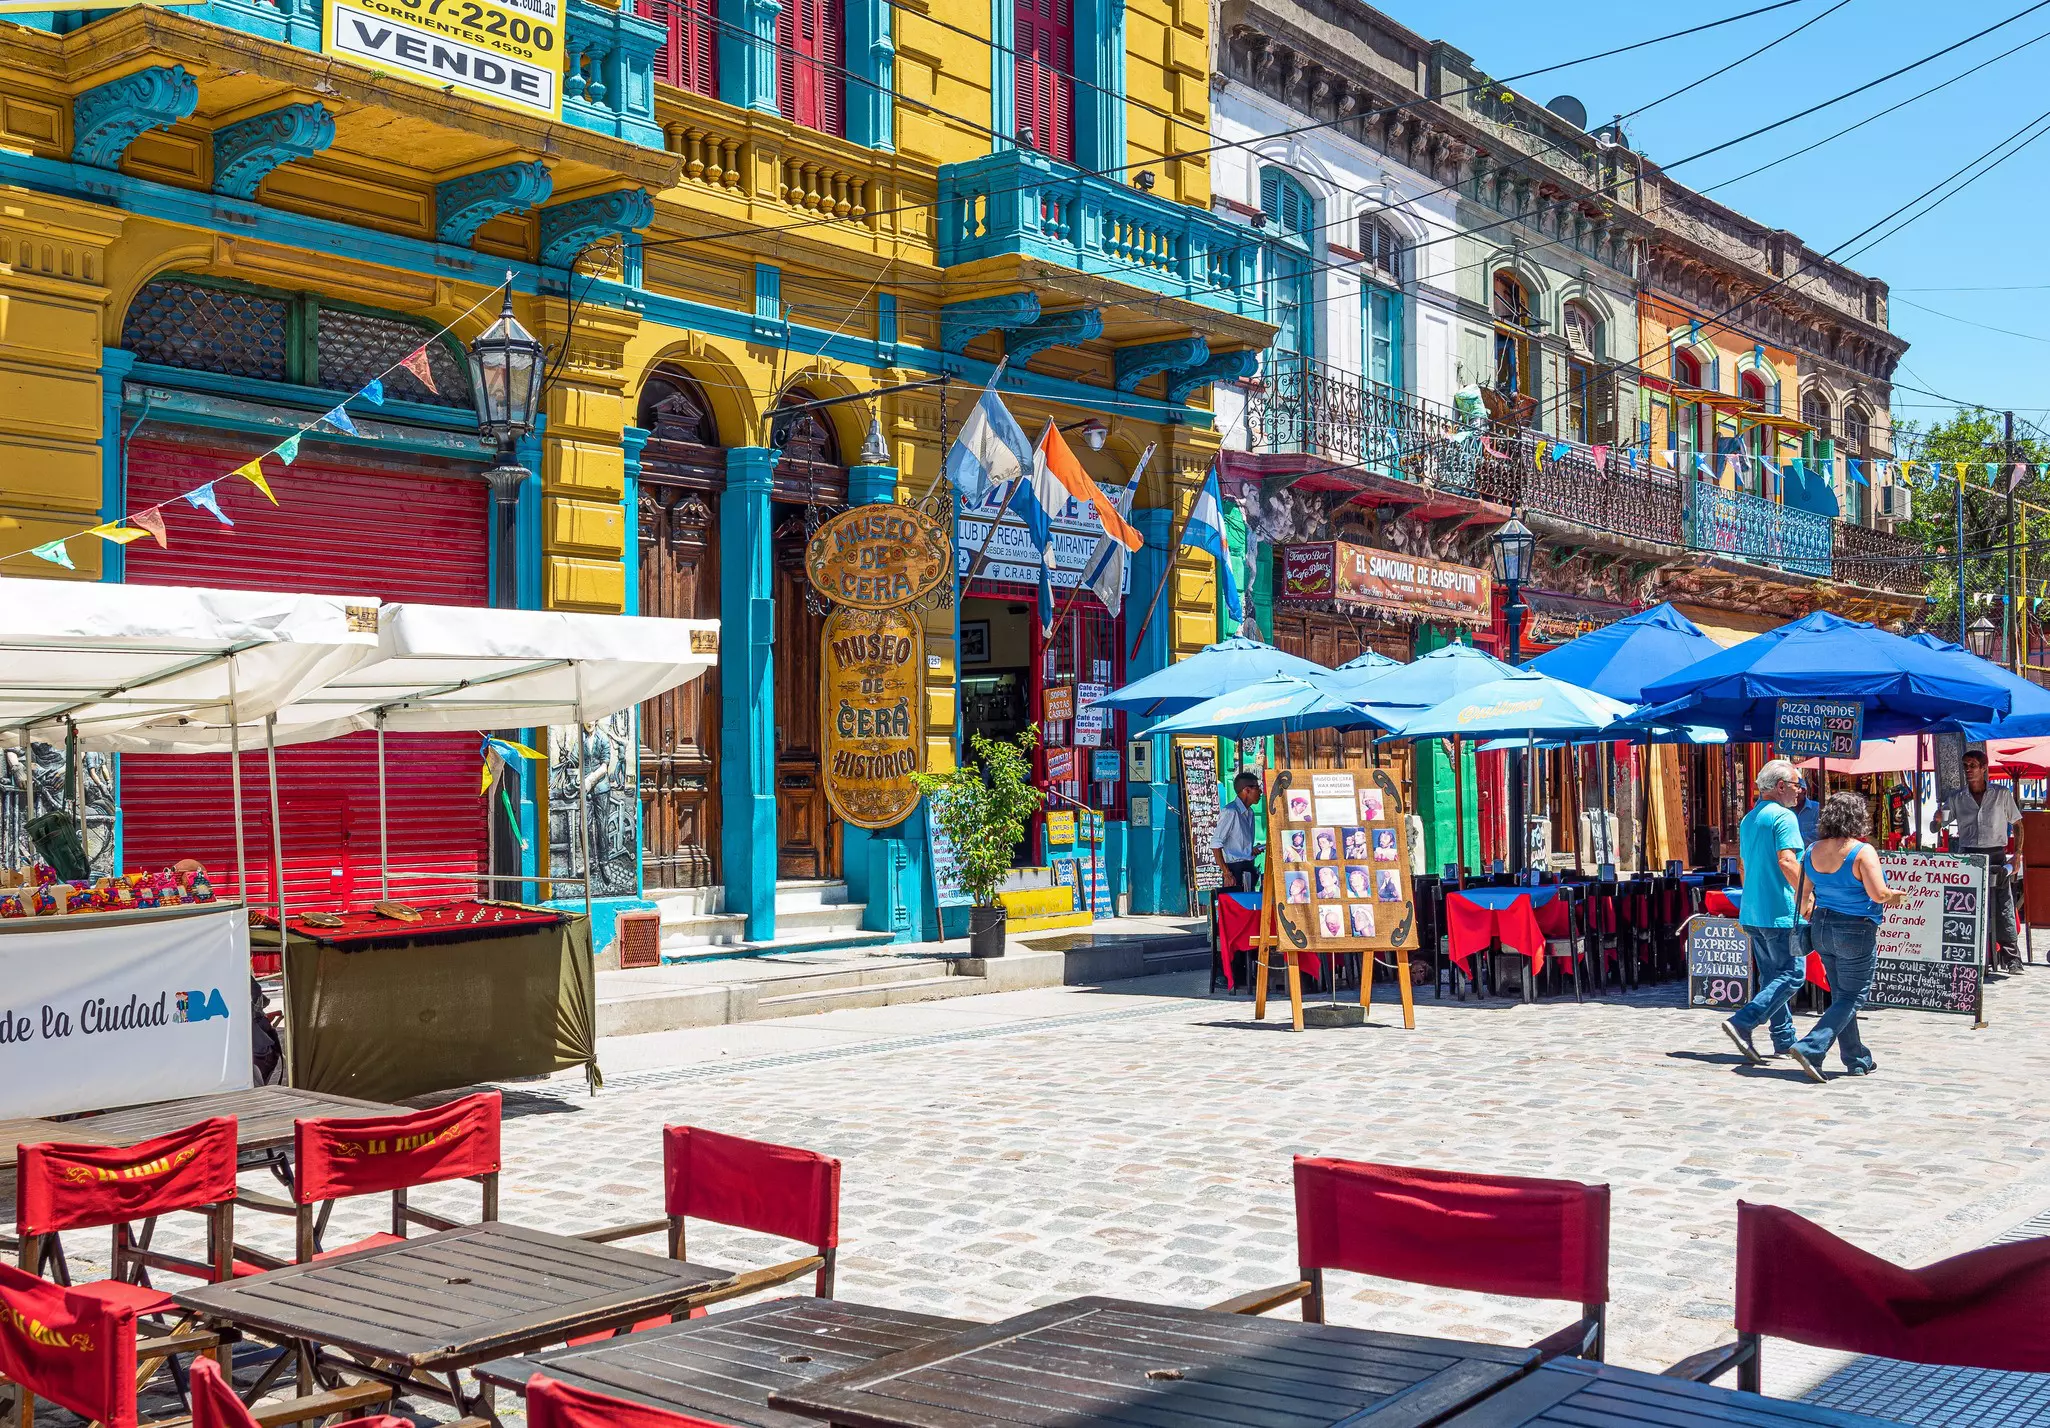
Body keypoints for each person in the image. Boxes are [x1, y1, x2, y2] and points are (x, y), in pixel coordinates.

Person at [1788, 792, 1906, 1081]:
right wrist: (1896, 896)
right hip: (1854, 928)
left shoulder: (1813, 849)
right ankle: (1811, 1046)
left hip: (1822, 926)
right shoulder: (1862, 851)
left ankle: (1856, 1058)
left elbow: (1803, 896)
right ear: (1858, 818)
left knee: (1841, 995)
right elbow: (1878, 893)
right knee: (1854, 995)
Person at [1720, 760, 1810, 1064]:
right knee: (1793, 975)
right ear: (1781, 786)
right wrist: (1808, 895)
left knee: (1773, 976)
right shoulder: (1784, 817)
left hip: (1754, 910)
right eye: (1797, 785)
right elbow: (1787, 861)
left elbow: (1743, 865)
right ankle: (1744, 1021)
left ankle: (1784, 1039)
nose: (1801, 791)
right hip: (1780, 910)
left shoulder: (1749, 819)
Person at [1943, 750, 2023, 974]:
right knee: (1968, 906)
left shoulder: (2001, 794)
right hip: (1968, 856)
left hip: (1996, 854)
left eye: (1972, 765)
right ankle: (1973, 955)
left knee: (2003, 904)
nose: (1968, 769)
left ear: (1984, 768)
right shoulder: (1957, 798)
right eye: (1965, 765)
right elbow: (1938, 824)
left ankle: (2011, 958)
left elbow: (2017, 824)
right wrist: (1938, 821)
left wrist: (2016, 855)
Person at [1211, 771, 1265, 892]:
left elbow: (1239, 844)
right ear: (1247, 790)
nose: (1261, 792)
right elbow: (1215, 844)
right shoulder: (1231, 812)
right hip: (1234, 870)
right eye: (1257, 788)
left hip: (1248, 866)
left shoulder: (1250, 812)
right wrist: (1227, 873)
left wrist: (1250, 850)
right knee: (1237, 907)